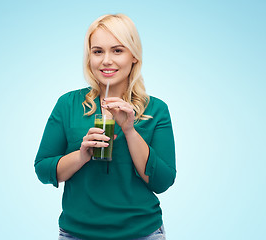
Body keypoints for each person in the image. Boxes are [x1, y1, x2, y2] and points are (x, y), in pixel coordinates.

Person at [34, 14, 176, 240]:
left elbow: (162, 181)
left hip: (141, 233)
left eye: (117, 50)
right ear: (89, 56)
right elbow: (43, 169)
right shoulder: (68, 105)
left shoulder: (156, 109)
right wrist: (81, 156)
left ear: (134, 57)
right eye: (98, 51)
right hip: (77, 233)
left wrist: (129, 130)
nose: (106, 60)